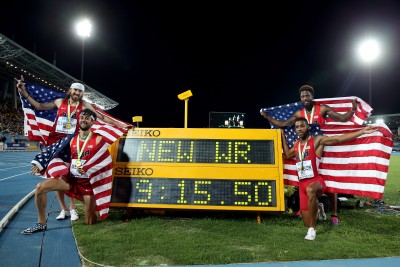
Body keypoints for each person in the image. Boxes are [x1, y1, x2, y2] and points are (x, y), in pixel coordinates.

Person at [16, 75, 126, 222]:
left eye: (80, 91)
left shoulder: (84, 105)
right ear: (70, 90)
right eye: (75, 90)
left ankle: (73, 209)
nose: (77, 93)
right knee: (56, 175)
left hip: (72, 144)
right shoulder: (60, 101)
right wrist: (24, 93)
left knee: (71, 175)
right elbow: (39, 106)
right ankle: (64, 209)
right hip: (56, 143)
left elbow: (102, 117)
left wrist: (121, 125)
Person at [260, 84, 358, 225]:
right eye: (302, 96)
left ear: (312, 96)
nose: (305, 98)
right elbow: (283, 124)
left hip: (322, 146)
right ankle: (308, 207)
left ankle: (334, 214)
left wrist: (352, 110)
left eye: (307, 95)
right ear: (300, 98)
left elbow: (342, 119)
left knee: (329, 182)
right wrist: (268, 118)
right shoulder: (299, 114)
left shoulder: (322, 109)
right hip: (305, 148)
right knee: (305, 178)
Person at [281, 117, 376, 240]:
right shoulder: (297, 144)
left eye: (302, 126)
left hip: (315, 181)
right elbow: (288, 154)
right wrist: (283, 136)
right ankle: (318, 207)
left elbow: (337, 139)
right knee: (305, 222)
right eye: (297, 127)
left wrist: (362, 131)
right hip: (302, 184)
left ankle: (312, 230)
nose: (299, 129)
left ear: (308, 127)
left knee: (311, 192)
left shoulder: (317, 141)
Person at [22, 109, 105, 234]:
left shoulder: (99, 140)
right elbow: (53, 148)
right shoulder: (71, 139)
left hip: (88, 183)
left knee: (92, 219)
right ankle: (41, 223)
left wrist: (88, 167)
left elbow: (103, 161)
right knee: (40, 188)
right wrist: (40, 162)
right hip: (71, 179)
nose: (83, 119)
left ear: (93, 122)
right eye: (82, 117)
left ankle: (93, 207)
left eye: (87, 118)